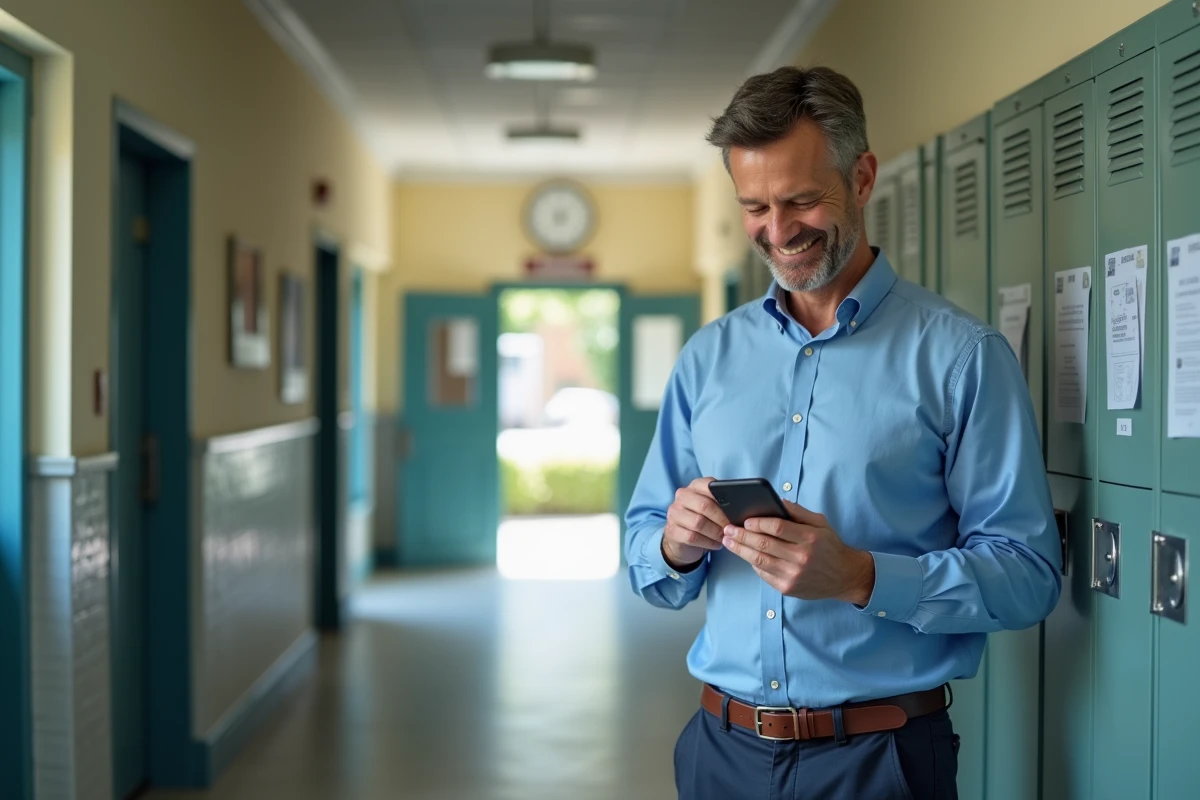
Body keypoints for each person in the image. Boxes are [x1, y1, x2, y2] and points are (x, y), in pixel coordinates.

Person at [623, 65, 1062, 800]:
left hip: (879, 761)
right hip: (717, 753)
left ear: (862, 178)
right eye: (755, 206)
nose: (778, 229)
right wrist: (672, 542)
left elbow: (1028, 574)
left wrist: (862, 577)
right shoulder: (709, 357)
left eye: (800, 199)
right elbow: (643, 548)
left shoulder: (960, 358)